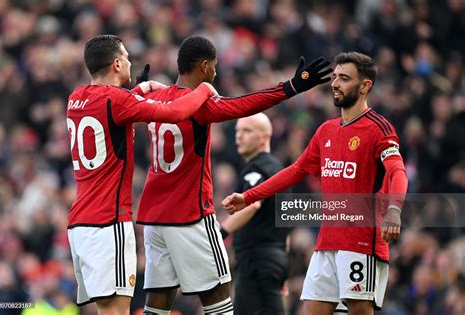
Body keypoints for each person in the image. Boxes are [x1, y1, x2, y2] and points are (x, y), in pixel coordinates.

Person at [135, 36, 332, 315]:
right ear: (204, 66)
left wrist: (136, 87)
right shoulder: (199, 105)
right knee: (220, 300)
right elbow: (245, 105)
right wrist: (291, 87)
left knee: (157, 302)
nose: (215, 74)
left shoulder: (156, 98)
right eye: (213, 67)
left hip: (153, 219)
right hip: (190, 215)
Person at [223, 52, 408, 315]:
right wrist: (249, 196)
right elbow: (296, 170)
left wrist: (394, 209)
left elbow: (397, 171)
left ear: (365, 86)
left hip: (360, 243)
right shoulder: (326, 131)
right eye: (334, 77)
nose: (334, 83)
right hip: (326, 243)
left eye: (344, 78)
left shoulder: (379, 128)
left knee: (358, 311)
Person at [66, 34, 217, 315]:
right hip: (108, 223)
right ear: (116, 64)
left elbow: (112, 109)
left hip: (80, 225)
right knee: (116, 311)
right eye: (126, 57)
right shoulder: (118, 101)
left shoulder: (75, 98)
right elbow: (174, 112)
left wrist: (142, 88)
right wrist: (205, 89)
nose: (130, 62)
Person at [220, 113, 291, 315]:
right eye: (237, 131)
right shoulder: (277, 170)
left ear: (264, 136)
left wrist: (219, 233)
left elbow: (252, 205)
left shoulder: (260, 167)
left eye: (247, 131)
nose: (239, 137)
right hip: (269, 260)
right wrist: (282, 268)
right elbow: (286, 224)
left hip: (258, 261)